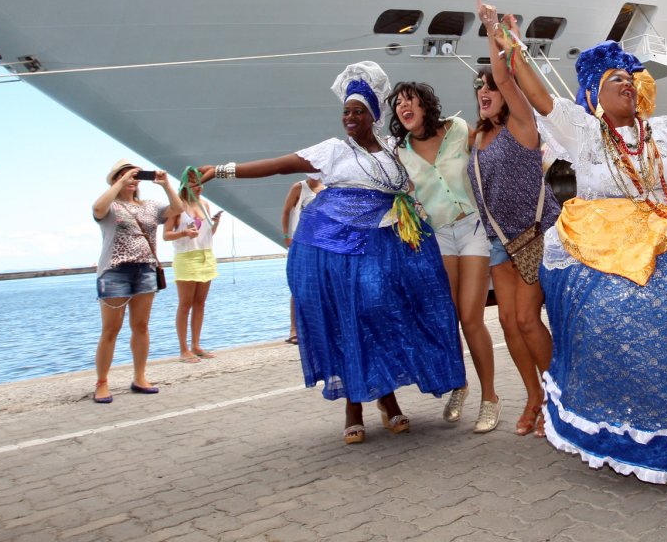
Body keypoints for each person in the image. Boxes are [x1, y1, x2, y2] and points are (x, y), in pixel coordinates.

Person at [498, 10, 667, 485]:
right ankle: (623, 430)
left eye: (629, 78)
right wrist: (509, 44)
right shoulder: (580, 132)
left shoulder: (664, 130)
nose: (627, 84)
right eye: (614, 79)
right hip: (607, 255)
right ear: (593, 95)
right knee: (620, 333)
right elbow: (538, 95)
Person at [192, 62, 464, 444]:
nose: (349, 118)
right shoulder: (333, 151)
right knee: (350, 321)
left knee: (380, 317)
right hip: (337, 251)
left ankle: (385, 396)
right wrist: (221, 171)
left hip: (383, 252)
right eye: (346, 112)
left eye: (357, 112)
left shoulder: (392, 149)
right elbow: (278, 165)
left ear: (372, 116)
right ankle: (355, 405)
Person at [389, 80, 499, 433]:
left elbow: (491, 153)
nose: (404, 107)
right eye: (398, 104)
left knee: (470, 317)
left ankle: (490, 398)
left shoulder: (457, 129)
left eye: (411, 101)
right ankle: (459, 384)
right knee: (446, 317)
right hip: (438, 236)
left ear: (426, 105)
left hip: (473, 228)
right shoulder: (400, 152)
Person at [472, 1, 561, 437]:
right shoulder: (474, 138)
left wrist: (492, 31)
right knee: (508, 323)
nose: (485, 92)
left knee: (527, 320)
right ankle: (533, 396)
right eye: (479, 89)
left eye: (490, 88)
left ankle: (559, 398)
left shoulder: (522, 124)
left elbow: (506, 78)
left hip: (537, 233)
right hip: (498, 240)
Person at [92, 162, 186, 404]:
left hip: (146, 269)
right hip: (115, 271)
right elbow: (97, 208)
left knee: (141, 326)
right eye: (125, 175)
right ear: (115, 179)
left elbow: (178, 208)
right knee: (111, 329)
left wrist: (166, 185)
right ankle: (102, 382)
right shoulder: (111, 206)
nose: (132, 180)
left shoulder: (150, 207)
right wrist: (120, 184)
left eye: (135, 176)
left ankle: (140, 376)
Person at [164, 170, 224, 363]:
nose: (199, 187)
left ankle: (196, 345)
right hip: (186, 257)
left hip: (206, 255)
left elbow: (207, 235)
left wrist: (214, 224)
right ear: (184, 186)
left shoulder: (204, 204)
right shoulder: (177, 207)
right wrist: (183, 234)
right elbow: (166, 235)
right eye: (194, 184)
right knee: (185, 304)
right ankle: (183, 349)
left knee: (200, 303)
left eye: (200, 184)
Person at [281, 176, 324, 344]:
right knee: (298, 285)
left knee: (321, 284)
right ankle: (294, 329)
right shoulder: (299, 187)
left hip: (323, 242)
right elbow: (286, 211)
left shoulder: (328, 186)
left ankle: (318, 328)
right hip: (302, 241)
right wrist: (286, 235)